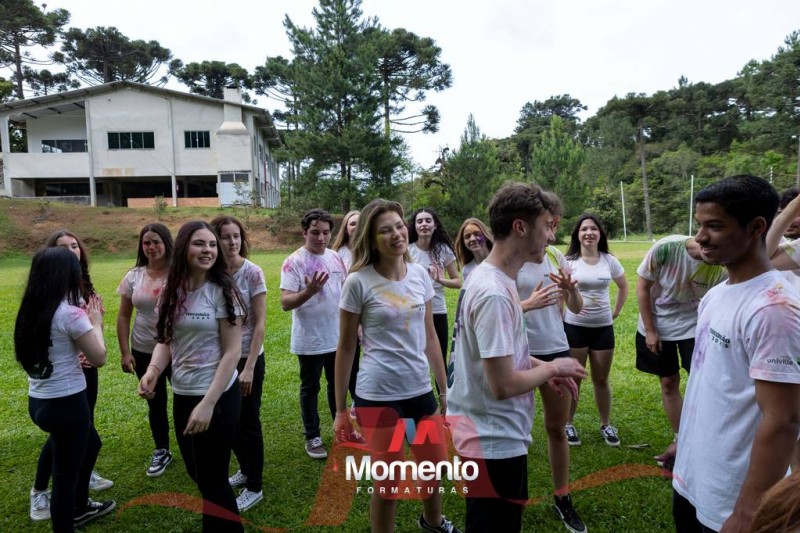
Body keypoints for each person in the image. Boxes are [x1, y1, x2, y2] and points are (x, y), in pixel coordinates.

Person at [447, 183, 586, 533]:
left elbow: (500, 357)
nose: (550, 237)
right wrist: (554, 366)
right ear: (520, 227)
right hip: (492, 439)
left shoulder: (494, 278)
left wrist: (541, 367)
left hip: (489, 433)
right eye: (545, 227)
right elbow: (503, 384)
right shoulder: (494, 292)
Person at [672, 175, 800, 533]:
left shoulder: (774, 309)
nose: (700, 237)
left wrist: (747, 511)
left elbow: (784, 420)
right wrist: (689, 443)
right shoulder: (718, 293)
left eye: (714, 226)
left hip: (730, 499)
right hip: (693, 478)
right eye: (699, 225)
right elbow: (713, 384)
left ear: (757, 227)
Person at [333, 198, 460, 533]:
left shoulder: (419, 275)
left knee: (434, 466)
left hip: (419, 390)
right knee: (388, 482)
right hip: (378, 397)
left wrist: (444, 389)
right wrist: (340, 409)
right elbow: (346, 347)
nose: (396, 234)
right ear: (371, 239)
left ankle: (433, 523)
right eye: (385, 230)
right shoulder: (358, 282)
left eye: (399, 226)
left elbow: (430, 336)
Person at [138, 221, 245, 532]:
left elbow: (232, 353)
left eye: (212, 244)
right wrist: (153, 370)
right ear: (184, 248)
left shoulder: (224, 292)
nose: (208, 250)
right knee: (198, 474)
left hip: (217, 397)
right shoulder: (171, 293)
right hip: (183, 393)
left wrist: (208, 404)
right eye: (200, 243)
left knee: (213, 480)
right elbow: (166, 340)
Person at [15, 247, 115, 531]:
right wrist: (95, 323)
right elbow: (99, 358)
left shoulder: (29, 311)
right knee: (64, 480)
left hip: (39, 401)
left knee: (89, 445)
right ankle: (73, 516)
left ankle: (80, 506)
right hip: (67, 403)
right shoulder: (69, 314)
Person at [516, 200, 587, 533]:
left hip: (557, 349)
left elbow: (577, 307)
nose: (552, 232)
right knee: (517, 431)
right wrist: (527, 304)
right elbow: (499, 309)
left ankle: (562, 497)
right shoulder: (512, 261)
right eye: (548, 225)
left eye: (555, 225)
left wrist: (571, 291)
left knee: (557, 429)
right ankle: (512, 497)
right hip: (520, 353)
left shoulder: (558, 258)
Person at [634, 235, 727, 470]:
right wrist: (650, 330)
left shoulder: (721, 263)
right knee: (668, 382)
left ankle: (702, 440)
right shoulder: (666, 249)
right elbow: (642, 286)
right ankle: (681, 438)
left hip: (694, 326)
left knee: (705, 383)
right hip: (658, 324)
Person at [280, 208, 347, 459]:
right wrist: (308, 292)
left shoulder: (335, 257)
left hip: (337, 337)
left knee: (337, 385)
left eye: (326, 233)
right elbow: (285, 303)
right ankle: (312, 436)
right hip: (310, 339)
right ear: (304, 232)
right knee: (310, 388)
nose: (321, 238)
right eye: (315, 232)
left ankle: (341, 429)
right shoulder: (294, 261)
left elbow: (345, 293)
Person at [211, 215, 267, 513]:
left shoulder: (253, 272)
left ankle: (254, 485)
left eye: (236, 236)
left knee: (248, 421)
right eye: (225, 236)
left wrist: (249, 368)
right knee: (227, 419)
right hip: (220, 358)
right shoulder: (212, 273)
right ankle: (245, 469)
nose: (232, 242)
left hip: (247, 357)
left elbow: (260, 324)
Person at [562, 214, 628, 447]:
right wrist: (560, 319)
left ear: (600, 233)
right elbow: (562, 293)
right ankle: (568, 424)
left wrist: (616, 311)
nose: (589, 233)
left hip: (603, 328)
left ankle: (606, 424)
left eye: (593, 229)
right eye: (584, 229)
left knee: (601, 379)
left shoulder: (609, 260)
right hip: (575, 327)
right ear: (577, 235)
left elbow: (623, 286)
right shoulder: (568, 262)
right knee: (574, 379)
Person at [116, 223, 175, 478]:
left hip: (178, 348)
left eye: (156, 241)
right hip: (143, 348)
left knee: (187, 398)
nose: (151, 247)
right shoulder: (134, 276)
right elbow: (123, 316)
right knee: (155, 401)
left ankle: (195, 445)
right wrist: (125, 352)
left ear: (167, 243)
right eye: (146, 242)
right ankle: (162, 449)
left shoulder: (180, 273)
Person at [408, 208, 462, 368]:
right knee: (415, 359)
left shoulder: (443, 250)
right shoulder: (407, 250)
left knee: (439, 357)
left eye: (428, 220)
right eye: (419, 221)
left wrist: (439, 279)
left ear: (435, 225)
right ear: (415, 226)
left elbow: (457, 282)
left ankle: (443, 386)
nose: (424, 224)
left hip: (438, 310)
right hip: (413, 310)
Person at [331, 210, 362, 411]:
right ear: (345, 228)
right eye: (352, 224)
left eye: (360, 223)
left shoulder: (371, 249)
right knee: (351, 356)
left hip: (367, 311)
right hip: (346, 311)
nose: (356, 227)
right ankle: (353, 399)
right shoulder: (338, 254)